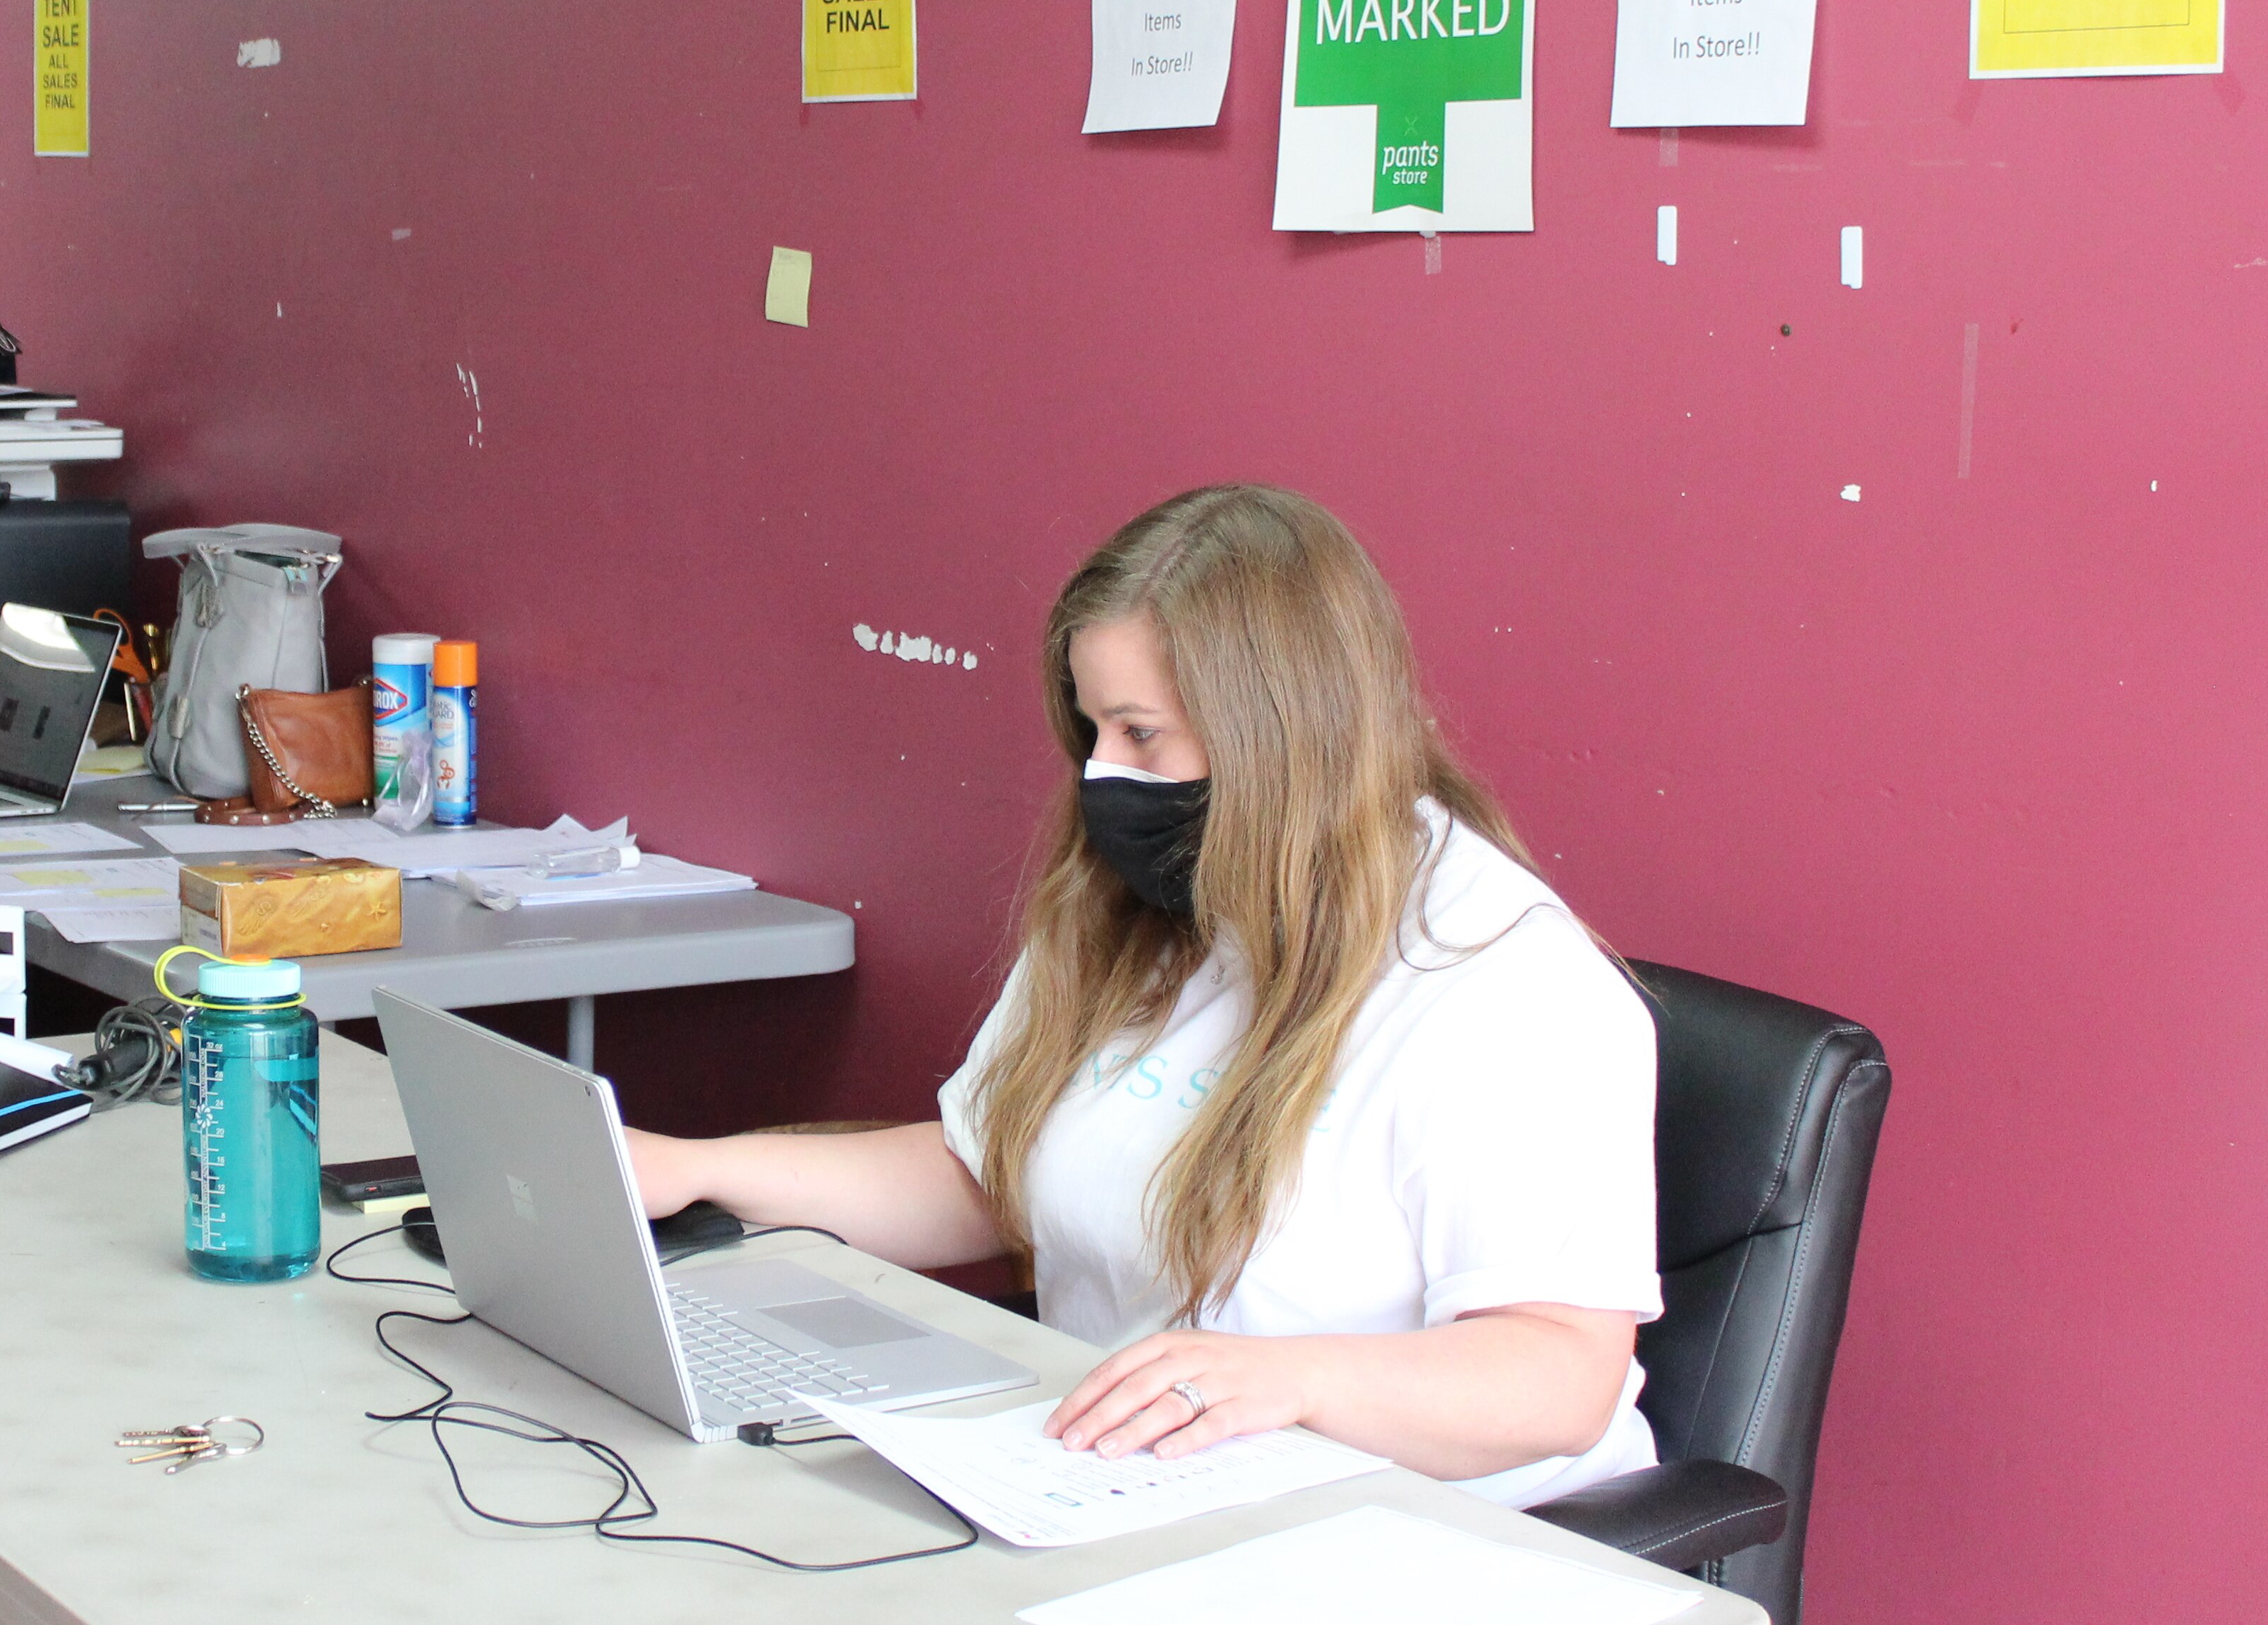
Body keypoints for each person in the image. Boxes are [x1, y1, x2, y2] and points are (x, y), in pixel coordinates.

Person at [628, 485, 1659, 1506]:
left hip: (1427, 1542)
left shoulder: (1506, 987)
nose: (1101, 776)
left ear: (1280, 737)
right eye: (1091, 733)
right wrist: (691, 1170)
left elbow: (1559, 1376)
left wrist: (1288, 1382)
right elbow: (990, 1173)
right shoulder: (1143, 910)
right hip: (1140, 1494)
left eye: (1140, 734)